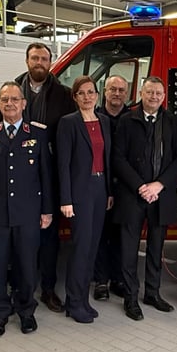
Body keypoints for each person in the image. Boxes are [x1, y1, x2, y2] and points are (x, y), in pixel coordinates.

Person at [0, 82, 53, 338]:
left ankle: (26, 311)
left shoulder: (38, 133)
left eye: (14, 99)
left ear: (23, 103)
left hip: (28, 213)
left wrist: (47, 210)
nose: (10, 104)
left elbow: (45, 177)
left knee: (27, 265)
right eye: (5, 99)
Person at [111, 77, 177, 320]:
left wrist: (158, 185)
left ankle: (152, 293)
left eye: (158, 93)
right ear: (141, 94)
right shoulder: (126, 120)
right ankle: (130, 298)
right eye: (149, 92)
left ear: (164, 96)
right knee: (128, 249)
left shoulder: (173, 122)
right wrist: (141, 186)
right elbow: (118, 158)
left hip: (161, 196)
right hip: (132, 195)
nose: (154, 97)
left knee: (156, 248)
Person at [14, 42, 76, 313]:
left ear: (51, 62)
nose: (39, 62)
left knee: (48, 235)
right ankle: (21, 287)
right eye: (34, 58)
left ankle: (48, 289)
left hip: (49, 173)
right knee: (19, 233)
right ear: (27, 60)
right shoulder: (13, 90)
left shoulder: (63, 95)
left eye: (44, 58)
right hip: (18, 174)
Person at [58, 76, 113, 324]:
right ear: (75, 97)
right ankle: (73, 302)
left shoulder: (103, 121)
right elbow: (63, 164)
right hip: (79, 192)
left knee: (93, 246)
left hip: (100, 189)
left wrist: (109, 192)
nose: (87, 97)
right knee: (80, 247)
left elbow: (108, 159)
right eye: (81, 93)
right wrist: (66, 199)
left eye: (91, 92)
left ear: (97, 95)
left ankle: (83, 299)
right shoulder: (68, 123)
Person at [94, 75, 131, 302]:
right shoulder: (94, 118)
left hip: (126, 188)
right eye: (112, 89)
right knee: (100, 235)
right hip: (100, 186)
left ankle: (118, 279)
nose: (117, 94)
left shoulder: (133, 118)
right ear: (104, 92)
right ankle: (100, 281)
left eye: (121, 90)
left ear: (126, 94)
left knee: (122, 237)